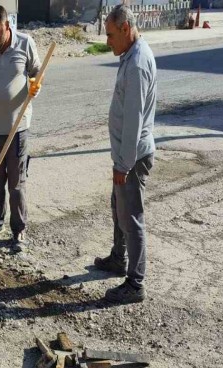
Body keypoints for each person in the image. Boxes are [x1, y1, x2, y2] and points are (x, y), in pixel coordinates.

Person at [94, 5, 157, 302]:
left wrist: (123, 164)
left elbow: (133, 120)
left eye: (109, 34)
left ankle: (135, 284)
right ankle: (118, 259)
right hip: (125, 154)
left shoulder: (137, 64)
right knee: (117, 209)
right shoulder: (130, 55)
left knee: (131, 218)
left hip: (131, 157)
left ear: (125, 28)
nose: (107, 41)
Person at [0, 5, 42, 252]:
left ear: (7, 27)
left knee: (16, 183)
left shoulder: (25, 44)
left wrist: (35, 85)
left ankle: (19, 229)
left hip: (18, 129)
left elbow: (36, 73)